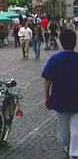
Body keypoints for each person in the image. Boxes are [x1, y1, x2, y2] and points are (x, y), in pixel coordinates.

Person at [42, 29, 78, 158]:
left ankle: (68, 148)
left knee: (64, 129)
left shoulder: (55, 59)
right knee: (76, 129)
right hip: (76, 99)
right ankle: (73, 153)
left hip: (60, 99)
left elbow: (47, 79)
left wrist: (46, 97)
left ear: (61, 43)